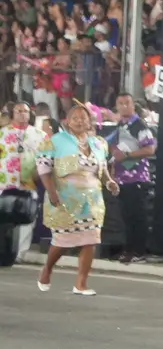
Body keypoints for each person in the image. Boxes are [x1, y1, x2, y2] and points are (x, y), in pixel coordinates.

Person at [35, 103, 119, 295]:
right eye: (75, 118)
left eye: (83, 118)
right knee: (62, 242)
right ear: (67, 122)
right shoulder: (56, 142)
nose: (80, 121)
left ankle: (81, 283)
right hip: (65, 199)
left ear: (90, 121)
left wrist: (109, 182)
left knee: (90, 240)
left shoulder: (99, 143)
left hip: (92, 201)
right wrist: (52, 192)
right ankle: (47, 269)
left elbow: (102, 169)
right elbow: (44, 170)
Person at [108, 93, 156, 262]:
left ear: (133, 105)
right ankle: (128, 250)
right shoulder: (120, 125)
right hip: (122, 178)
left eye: (127, 103)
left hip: (137, 177)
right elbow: (115, 151)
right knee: (126, 216)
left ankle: (139, 251)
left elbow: (150, 149)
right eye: (120, 103)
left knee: (138, 216)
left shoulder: (139, 125)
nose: (124, 106)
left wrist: (128, 155)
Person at [0, 101, 44, 257]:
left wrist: (38, 173)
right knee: (4, 216)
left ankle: (20, 253)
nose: (22, 114)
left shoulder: (39, 135)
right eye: (18, 111)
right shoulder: (2, 133)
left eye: (25, 111)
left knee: (27, 215)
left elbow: (46, 158)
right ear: (12, 114)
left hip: (28, 182)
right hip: (4, 182)